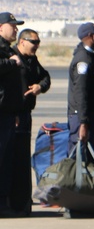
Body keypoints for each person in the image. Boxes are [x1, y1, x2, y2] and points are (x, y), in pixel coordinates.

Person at [3, 29, 51, 216]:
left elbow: (45, 76)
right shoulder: (11, 58)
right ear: (22, 42)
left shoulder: (32, 60)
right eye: (34, 42)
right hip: (11, 115)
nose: (37, 45)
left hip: (24, 115)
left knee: (22, 159)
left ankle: (21, 202)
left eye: (39, 42)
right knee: (9, 159)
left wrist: (40, 87)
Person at [0, 16, 31, 217]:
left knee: (6, 160)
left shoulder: (10, 50)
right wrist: (10, 63)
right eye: (12, 26)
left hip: (9, 113)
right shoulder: (7, 53)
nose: (14, 30)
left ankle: (5, 202)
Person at [67, 21, 94, 167]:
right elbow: (81, 92)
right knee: (79, 158)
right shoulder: (83, 60)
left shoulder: (92, 56)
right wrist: (83, 122)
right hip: (82, 116)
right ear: (90, 36)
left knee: (89, 157)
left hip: (90, 114)